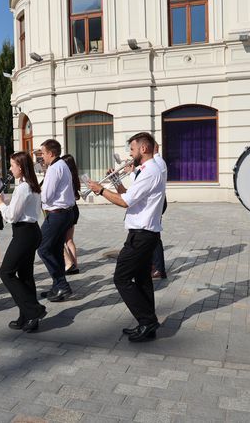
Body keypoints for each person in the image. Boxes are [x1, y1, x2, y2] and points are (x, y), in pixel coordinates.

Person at [87, 132, 166, 342]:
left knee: (121, 278)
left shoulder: (150, 171)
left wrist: (101, 190)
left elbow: (125, 202)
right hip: (143, 233)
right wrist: (114, 182)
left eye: (132, 150)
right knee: (141, 279)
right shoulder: (146, 170)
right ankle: (147, 324)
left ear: (143, 149)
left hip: (142, 235)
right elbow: (129, 196)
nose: (129, 155)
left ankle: (147, 321)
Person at [0, 152, 46, 332]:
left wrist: (0, 203)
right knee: (25, 276)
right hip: (29, 231)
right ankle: (27, 317)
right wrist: (2, 208)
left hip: (24, 233)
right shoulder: (30, 185)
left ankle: (34, 310)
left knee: (6, 273)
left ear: (21, 167)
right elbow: (17, 212)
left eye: (13, 165)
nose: (11, 169)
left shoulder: (23, 187)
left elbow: (13, 216)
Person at [38, 139, 76, 302]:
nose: (42, 157)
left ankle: (62, 285)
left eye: (43, 153)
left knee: (43, 249)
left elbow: (46, 196)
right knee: (55, 249)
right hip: (66, 213)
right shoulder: (63, 165)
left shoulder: (54, 168)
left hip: (57, 214)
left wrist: (36, 193)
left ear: (51, 153)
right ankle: (57, 286)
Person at [61, 154, 81, 275]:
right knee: (69, 240)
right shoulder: (74, 176)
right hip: (74, 209)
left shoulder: (66, 178)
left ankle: (69, 264)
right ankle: (75, 265)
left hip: (67, 209)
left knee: (60, 239)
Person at [151, 142, 168, 279]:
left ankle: (158, 269)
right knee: (152, 235)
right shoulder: (157, 161)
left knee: (155, 236)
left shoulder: (157, 162)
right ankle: (154, 266)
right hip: (159, 200)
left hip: (158, 201)